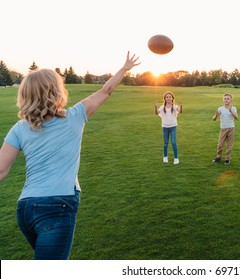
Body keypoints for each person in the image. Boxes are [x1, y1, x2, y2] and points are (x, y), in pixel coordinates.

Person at [0, 51, 140, 259]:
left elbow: (1, 170)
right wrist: (124, 68)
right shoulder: (74, 116)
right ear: (56, 92)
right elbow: (105, 91)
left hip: (26, 209)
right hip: (57, 206)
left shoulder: (19, 129)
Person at [154, 91, 182, 164]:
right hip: (165, 127)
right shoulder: (162, 107)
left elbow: (180, 111)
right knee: (165, 143)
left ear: (172, 98)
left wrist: (181, 105)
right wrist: (155, 106)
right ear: (165, 99)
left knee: (173, 142)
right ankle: (165, 157)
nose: (168, 98)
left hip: (173, 127)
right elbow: (156, 113)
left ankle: (176, 158)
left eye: (170, 97)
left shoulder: (174, 106)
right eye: (167, 97)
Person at [212, 93, 238, 165]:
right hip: (223, 129)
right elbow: (213, 119)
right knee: (220, 144)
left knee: (229, 145)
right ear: (223, 100)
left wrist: (231, 111)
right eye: (225, 99)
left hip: (231, 128)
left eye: (228, 99)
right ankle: (218, 157)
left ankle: (227, 159)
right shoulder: (220, 108)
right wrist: (216, 115)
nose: (226, 100)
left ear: (231, 100)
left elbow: (236, 118)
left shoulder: (233, 108)